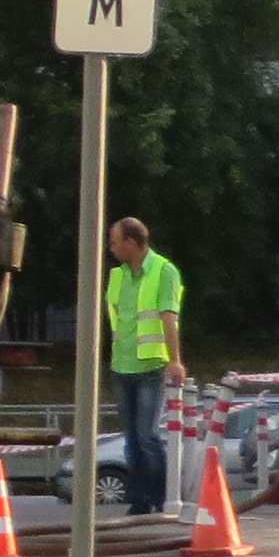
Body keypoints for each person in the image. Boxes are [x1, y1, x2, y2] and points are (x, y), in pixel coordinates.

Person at [104, 215, 187, 512]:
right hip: (122, 365)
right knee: (132, 440)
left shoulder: (164, 271)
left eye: (115, 241)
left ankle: (159, 497)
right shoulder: (117, 276)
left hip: (151, 365)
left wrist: (175, 361)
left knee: (147, 436)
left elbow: (169, 318)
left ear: (131, 242)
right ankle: (139, 500)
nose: (111, 247)